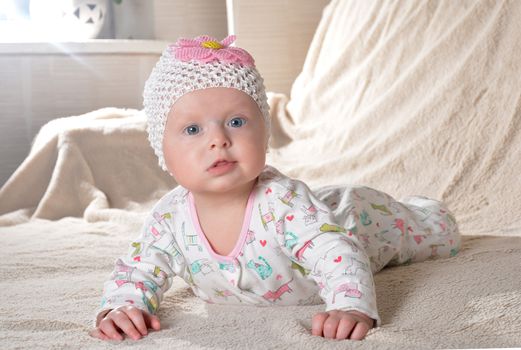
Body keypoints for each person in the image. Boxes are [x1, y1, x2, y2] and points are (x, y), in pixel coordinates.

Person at [89, 35, 460, 342]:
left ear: (264, 134)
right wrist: (123, 306)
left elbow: (337, 253)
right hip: (320, 215)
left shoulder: (282, 202)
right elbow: (138, 270)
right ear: (162, 151)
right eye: (192, 129)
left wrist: (350, 305)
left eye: (236, 121)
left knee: (428, 232)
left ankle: (422, 212)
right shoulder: (169, 218)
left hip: (354, 222)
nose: (218, 139)